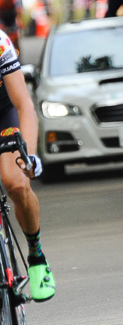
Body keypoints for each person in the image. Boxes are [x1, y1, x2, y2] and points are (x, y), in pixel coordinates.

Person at [0, 27, 55, 301]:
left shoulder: (0, 43)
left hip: (3, 114)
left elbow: (24, 105)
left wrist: (29, 156)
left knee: (16, 182)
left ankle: (36, 254)